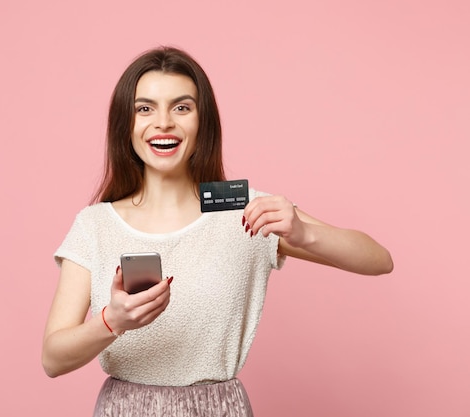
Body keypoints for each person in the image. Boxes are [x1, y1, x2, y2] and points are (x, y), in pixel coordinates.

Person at [42, 46, 393, 416]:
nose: (163, 122)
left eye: (182, 107)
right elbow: (53, 358)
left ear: (202, 121)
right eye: (144, 108)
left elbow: (378, 260)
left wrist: (304, 233)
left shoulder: (239, 208)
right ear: (124, 124)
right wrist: (112, 322)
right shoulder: (96, 224)